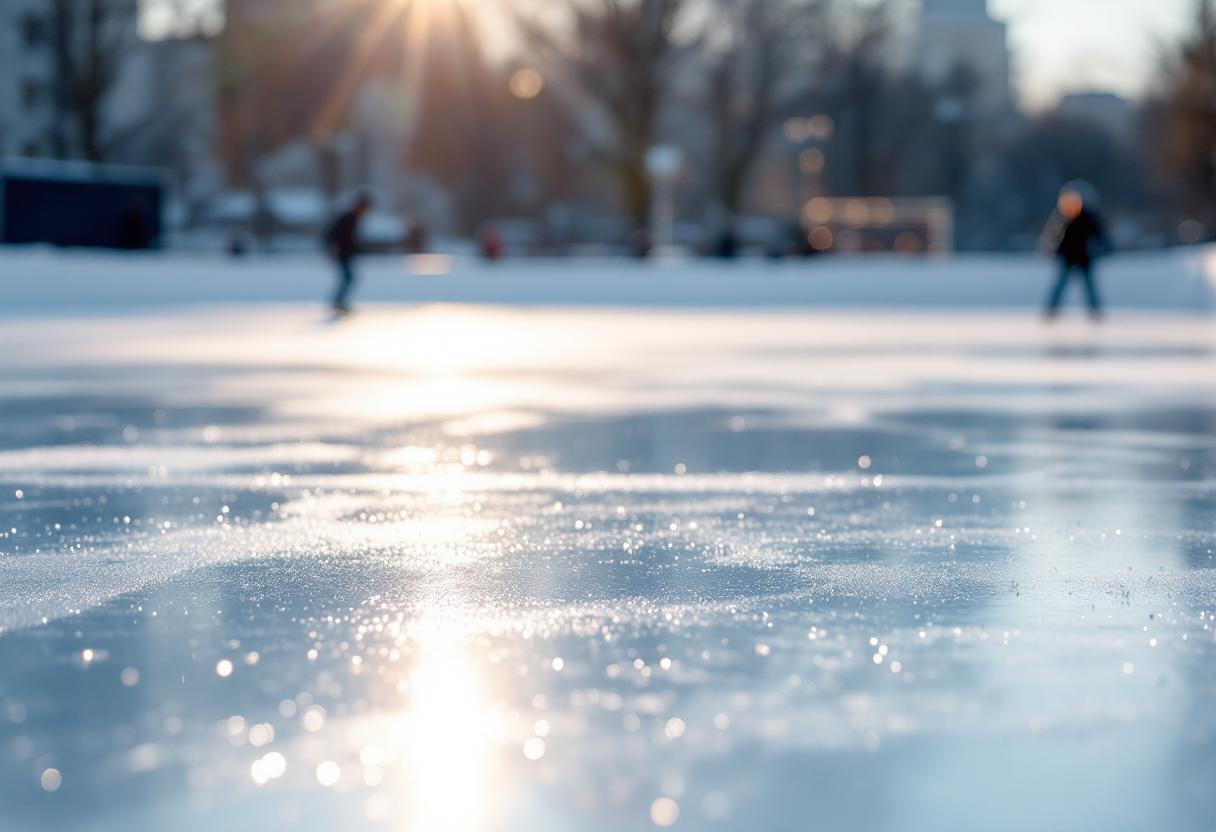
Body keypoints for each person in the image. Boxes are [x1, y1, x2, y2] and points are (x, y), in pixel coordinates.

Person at [1042, 183, 1108, 321]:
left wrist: (1102, 249)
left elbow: (1099, 236)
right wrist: (1054, 251)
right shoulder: (1064, 221)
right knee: (1060, 286)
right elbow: (1058, 239)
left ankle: (1095, 312)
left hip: (1083, 258)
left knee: (1089, 287)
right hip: (1069, 258)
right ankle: (1050, 311)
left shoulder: (1087, 219)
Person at [324, 192, 372, 316]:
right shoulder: (348, 218)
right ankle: (337, 303)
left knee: (348, 278)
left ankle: (339, 303)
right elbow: (341, 237)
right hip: (340, 253)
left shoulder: (353, 218)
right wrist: (335, 250)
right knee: (348, 277)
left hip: (343, 253)